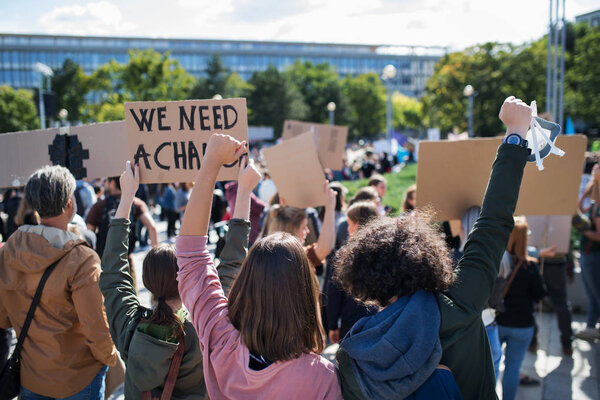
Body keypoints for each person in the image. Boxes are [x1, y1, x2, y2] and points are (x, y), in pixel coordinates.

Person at [333, 97, 533, 399]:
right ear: (427, 256)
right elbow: (493, 222)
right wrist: (515, 134)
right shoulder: (461, 302)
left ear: (361, 275)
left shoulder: (354, 350)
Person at [177, 135, 342, 399]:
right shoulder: (320, 377)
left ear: (246, 281)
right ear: (306, 293)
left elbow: (191, 255)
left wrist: (211, 163)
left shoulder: (221, 340)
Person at [99, 161, 254, 398]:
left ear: (147, 282)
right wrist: (244, 192)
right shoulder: (207, 323)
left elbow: (113, 273)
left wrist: (127, 195)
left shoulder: (130, 326)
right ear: (183, 278)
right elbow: (232, 265)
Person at [0, 165, 116, 399]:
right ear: (70, 204)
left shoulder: (10, 249)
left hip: (31, 375)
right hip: (78, 377)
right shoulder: (82, 259)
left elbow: (3, 318)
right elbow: (96, 327)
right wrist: (111, 358)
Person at [496, 217, 546, 400]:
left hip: (499, 319)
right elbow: (540, 295)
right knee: (513, 367)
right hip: (523, 324)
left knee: (493, 365)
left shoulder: (498, 263)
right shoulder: (530, 265)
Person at [86, 176, 158, 289]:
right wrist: (156, 259)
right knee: (130, 298)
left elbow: (89, 233)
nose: (104, 184)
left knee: (105, 301)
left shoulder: (99, 206)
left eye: (106, 182)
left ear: (113, 183)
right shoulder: (136, 203)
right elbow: (152, 227)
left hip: (103, 263)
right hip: (126, 261)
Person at [327, 201, 379, 344]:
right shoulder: (385, 254)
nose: (348, 229)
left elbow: (334, 293)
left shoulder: (344, 255)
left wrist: (332, 325)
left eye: (349, 224)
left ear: (357, 225)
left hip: (351, 325)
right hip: (381, 320)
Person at [267, 183, 336, 270]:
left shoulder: (266, 256)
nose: (307, 231)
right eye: (303, 228)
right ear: (291, 230)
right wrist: (330, 208)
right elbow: (323, 249)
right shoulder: (296, 257)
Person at [574, 163, 600, 341]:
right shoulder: (595, 202)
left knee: (596, 294)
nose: (594, 169)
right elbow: (580, 208)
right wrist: (590, 187)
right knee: (592, 294)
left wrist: (582, 231)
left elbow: (598, 235)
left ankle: (592, 328)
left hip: (593, 254)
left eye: (597, 169)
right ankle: (591, 328)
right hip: (588, 254)